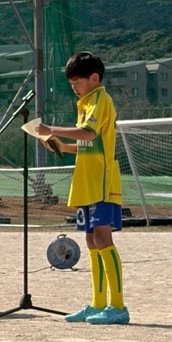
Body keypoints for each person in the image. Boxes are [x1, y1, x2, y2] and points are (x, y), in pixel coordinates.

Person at [36, 51, 129, 325]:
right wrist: (62, 147)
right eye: (71, 84)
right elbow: (88, 144)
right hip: (86, 182)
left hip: (101, 182)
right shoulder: (86, 102)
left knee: (103, 239)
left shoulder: (101, 99)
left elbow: (89, 133)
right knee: (90, 240)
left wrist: (52, 128)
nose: (74, 88)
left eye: (77, 82)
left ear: (94, 78)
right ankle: (97, 304)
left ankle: (118, 306)